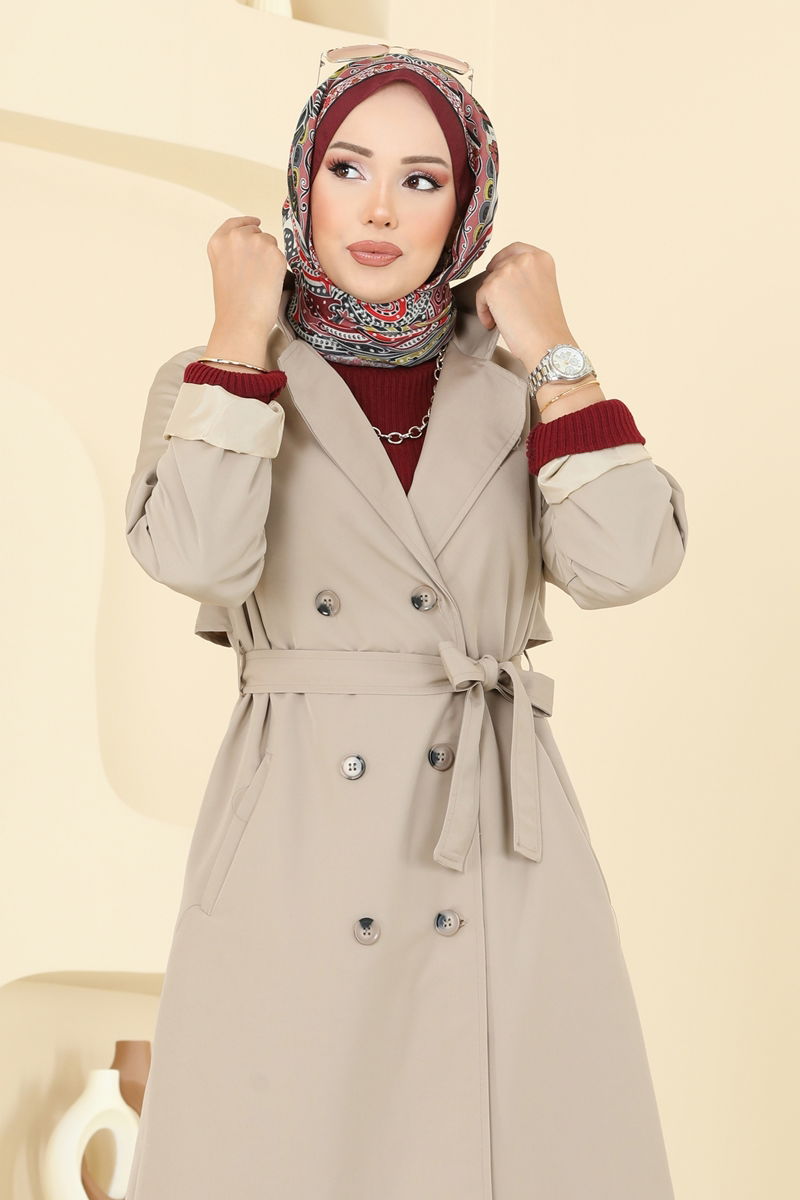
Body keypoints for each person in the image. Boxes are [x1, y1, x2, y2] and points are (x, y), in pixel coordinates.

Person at [124, 50, 688, 1200]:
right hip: (294, 832)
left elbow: (627, 561)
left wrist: (557, 352)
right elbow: (194, 557)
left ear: (466, 205)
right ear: (302, 182)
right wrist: (239, 332)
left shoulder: (517, 383)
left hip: (493, 839)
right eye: (347, 168)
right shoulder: (217, 372)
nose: (378, 210)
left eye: (421, 179)